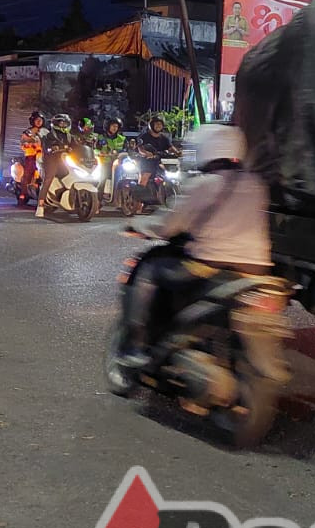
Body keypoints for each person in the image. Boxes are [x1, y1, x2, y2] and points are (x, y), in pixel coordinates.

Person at [117, 123, 274, 363]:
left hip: (210, 266)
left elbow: (167, 226)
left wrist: (137, 225)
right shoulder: (256, 184)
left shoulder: (203, 184)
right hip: (256, 271)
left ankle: (136, 344)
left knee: (149, 268)